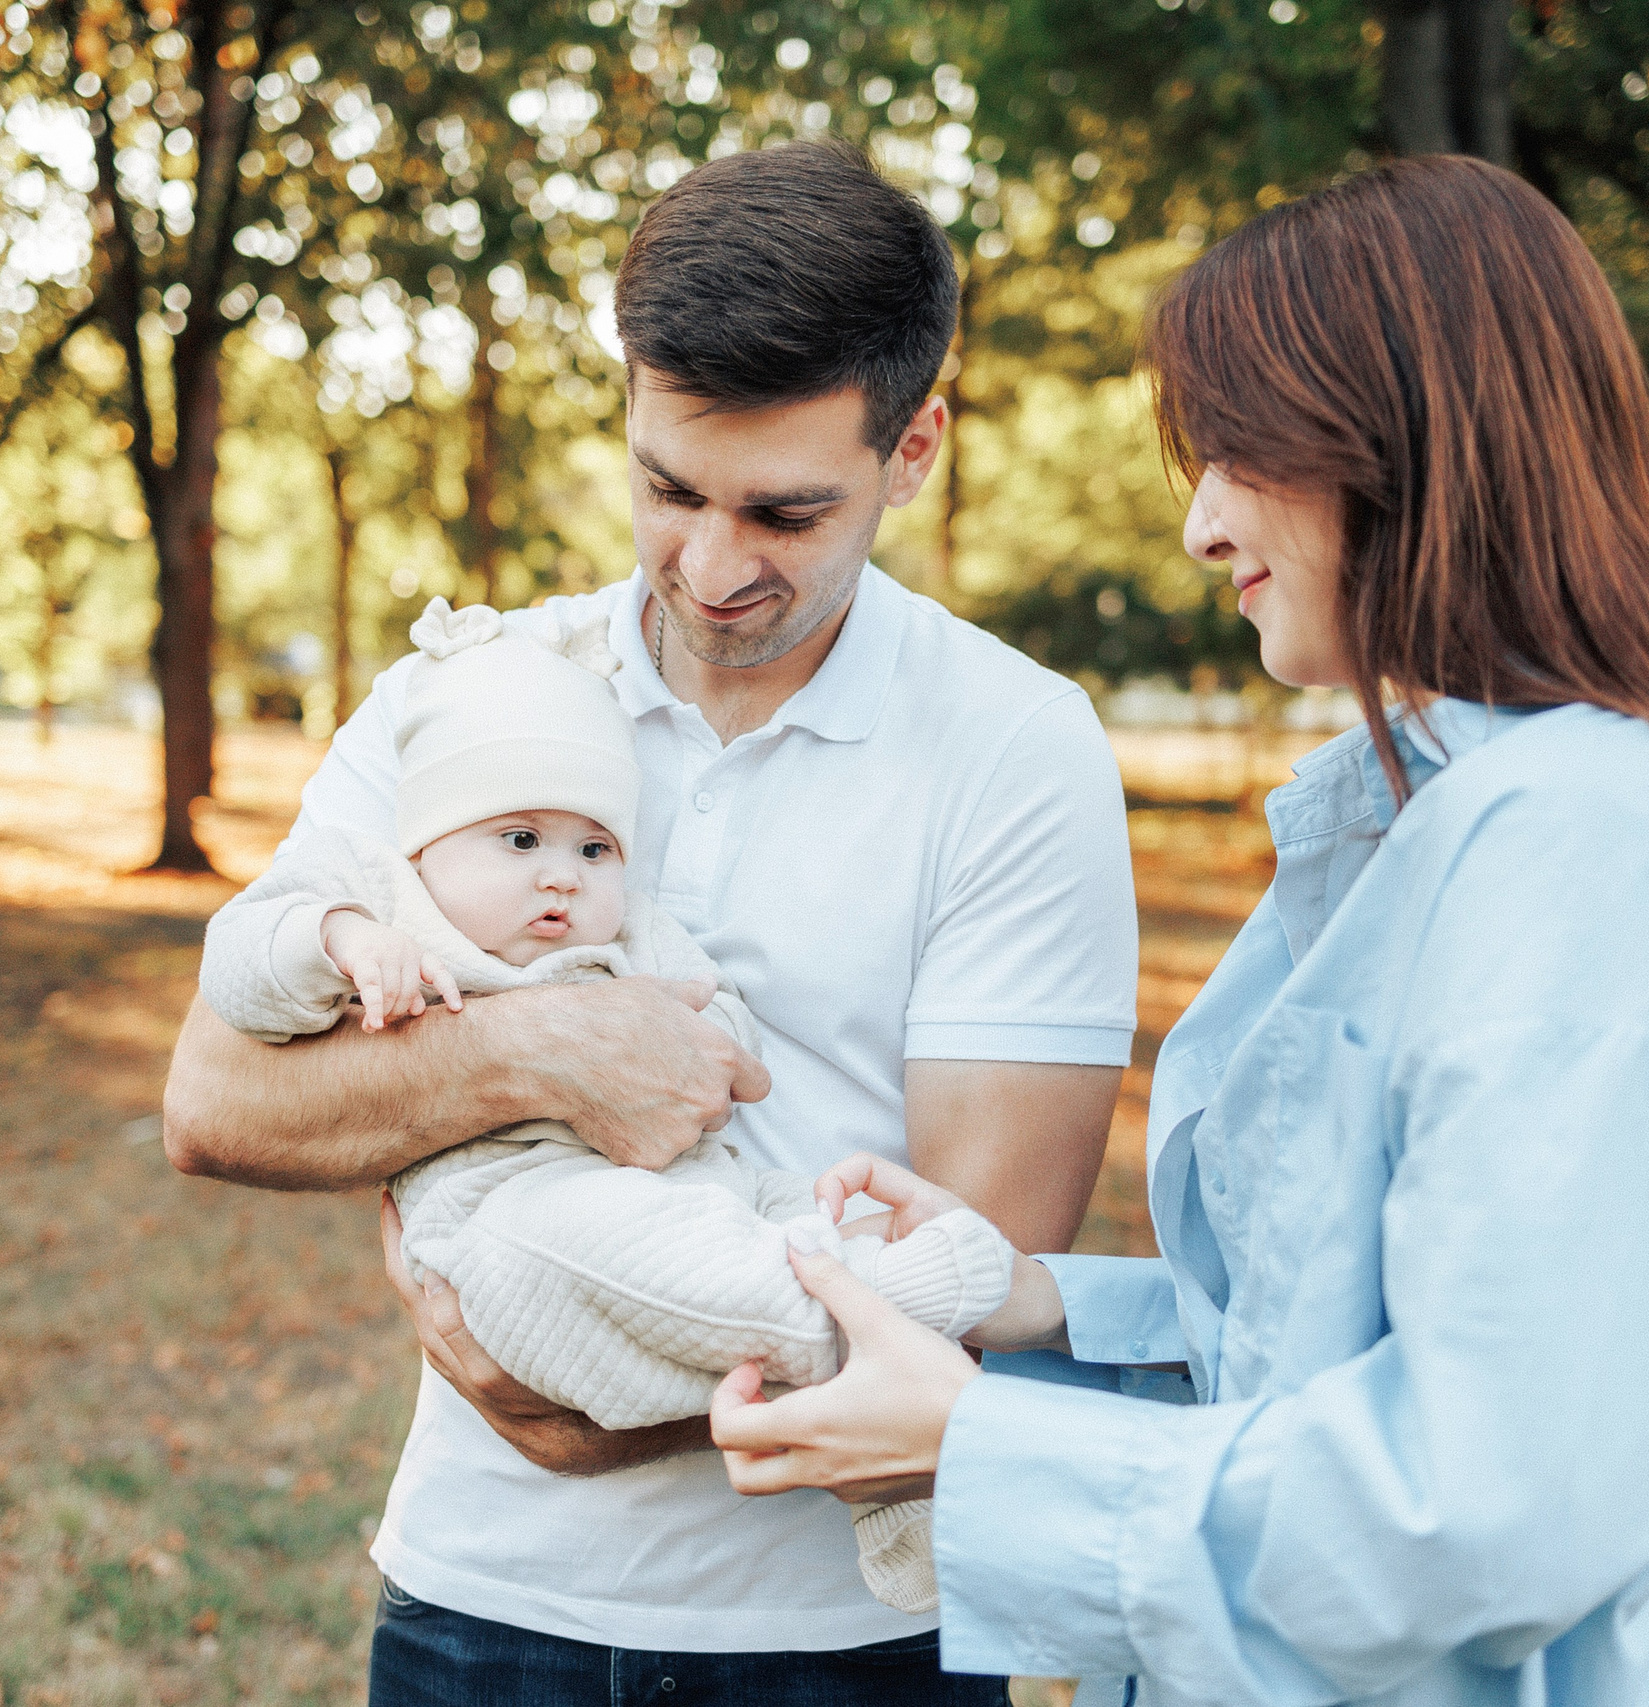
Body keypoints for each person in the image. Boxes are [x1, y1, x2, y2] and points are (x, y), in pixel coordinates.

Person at [706, 155, 1649, 1707]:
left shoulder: (1584, 854)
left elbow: (1484, 1504)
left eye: (1238, 449)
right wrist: (1019, 1297)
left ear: (1401, 441)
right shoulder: (1432, 828)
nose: (1200, 525)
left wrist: (984, 1440)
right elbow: (1333, 1341)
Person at [160, 139, 1139, 1705]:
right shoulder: (469, 690)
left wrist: (598, 1392)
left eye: (784, 513)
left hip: (850, 1640)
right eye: (668, 487)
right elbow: (213, 1099)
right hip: (478, 1600)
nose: (709, 563)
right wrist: (543, 1053)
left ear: (916, 447)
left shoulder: (1019, 747)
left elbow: (980, 1260)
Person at [194, 594, 1023, 1615]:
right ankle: (865, 1316)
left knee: (780, 1205)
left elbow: (730, 1054)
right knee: (568, 1239)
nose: (561, 877)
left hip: (693, 1194)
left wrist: (695, 1042)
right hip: (502, 1216)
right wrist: (338, 940)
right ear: (427, 846)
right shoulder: (380, 898)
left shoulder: (630, 935)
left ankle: (863, 1302)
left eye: (593, 850)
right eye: (519, 840)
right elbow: (240, 962)